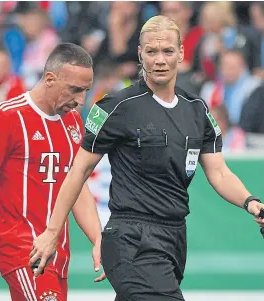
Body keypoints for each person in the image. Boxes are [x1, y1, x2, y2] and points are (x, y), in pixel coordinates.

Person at [29, 16, 264, 301]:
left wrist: (251, 202)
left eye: (167, 51)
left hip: (175, 238)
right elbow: (78, 171)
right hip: (130, 237)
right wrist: (52, 232)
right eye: (151, 52)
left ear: (181, 53)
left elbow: (220, 172)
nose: (160, 60)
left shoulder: (197, 109)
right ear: (140, 54)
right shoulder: (116, 107)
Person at [0, 43, 105, 301]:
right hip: (22, 252)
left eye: (86, 91)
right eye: (75, 90)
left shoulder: (74, 122)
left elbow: (78, 187)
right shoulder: (7, 117)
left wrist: (98, 238)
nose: (81, 101)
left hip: (58, 255)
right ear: (50, 79)